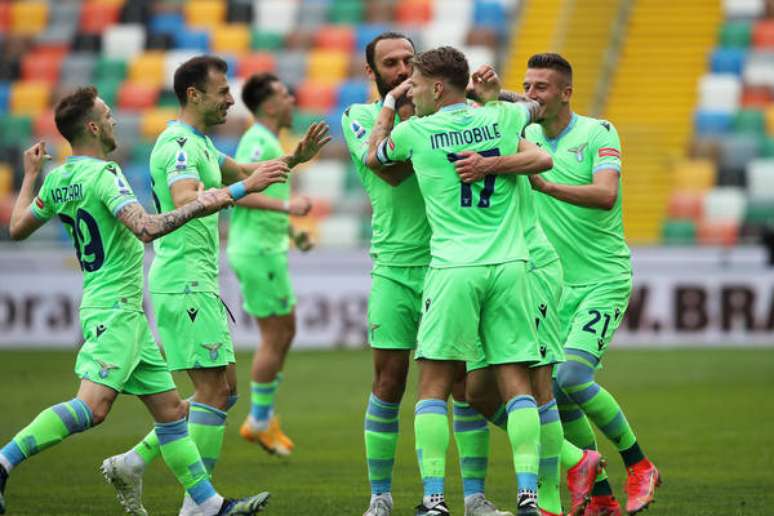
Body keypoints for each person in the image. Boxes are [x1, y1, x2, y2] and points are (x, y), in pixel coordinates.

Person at [0, 86, 287, 515]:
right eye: (109, 115)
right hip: (114, 309)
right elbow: (147, 228)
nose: (116, 120)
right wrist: (211, 199)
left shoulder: (58, 178)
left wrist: (29, 177)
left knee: (171, 412)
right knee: (92, 408)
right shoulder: (105, 175)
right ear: (93, 127)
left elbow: (19, 225)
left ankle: (208, 506)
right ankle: (3, 461)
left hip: (118, 308)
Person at [101, 55, 330, 516]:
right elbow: (187, 200)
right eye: (223, 91)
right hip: (182, 282)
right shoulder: (178, 147)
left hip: (198, 281)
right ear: (194, 95)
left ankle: (133, 462)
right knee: (212, 392)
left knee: (224, 389)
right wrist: (247, 190)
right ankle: (199, 507)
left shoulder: (201, 144)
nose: (230, 99)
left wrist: (294, 159)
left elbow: (248, 172)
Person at [366, 46, 553, 516]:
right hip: (510, 266)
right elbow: (537, 106)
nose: (411, 90)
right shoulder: (504, 118)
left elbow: (374, 157)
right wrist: (490, 94)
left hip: (453, 268)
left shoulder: (415, 131)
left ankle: (434, 500)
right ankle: (528, 495)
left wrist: (389, 105)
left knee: (432, 386)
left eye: (415, 84)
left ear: (435, 87)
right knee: (516, 381)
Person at [475, 53, 661, 516]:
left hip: (603, 279)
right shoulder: (526, 134)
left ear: (566, 93)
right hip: (551, 286)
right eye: (528, 86)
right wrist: (493, 93)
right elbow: (500, 108)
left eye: (542, 87)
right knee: (551, 391)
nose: (533, 94)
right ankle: (598, 494)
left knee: (574, 377)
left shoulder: (598, 132)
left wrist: (548, 185)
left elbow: (606, 195)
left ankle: (639, 464)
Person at [342, 34, 510, 516]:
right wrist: (414, 114)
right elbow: (390, 173)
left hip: (451, 263)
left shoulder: (443, 118)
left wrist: (473, 105)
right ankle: (381, 497)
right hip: (395, 265)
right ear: (370, 73)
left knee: (462, 386)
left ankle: (474, 497)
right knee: (388, 381)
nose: (399, 70)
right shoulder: (360, 117)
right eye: (389, 63)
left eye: (407, 63)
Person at [227, 73, 318, 456]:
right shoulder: (257, 141)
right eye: (284, 93)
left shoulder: (269, 141)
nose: (292, 97)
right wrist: (287, 207)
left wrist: (291, 232)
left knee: (285, 329)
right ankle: (259, 421)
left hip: (267, 246)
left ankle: (263, 417)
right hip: (255, 251)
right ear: (267, 104)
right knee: (274, 335)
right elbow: (239, 195)